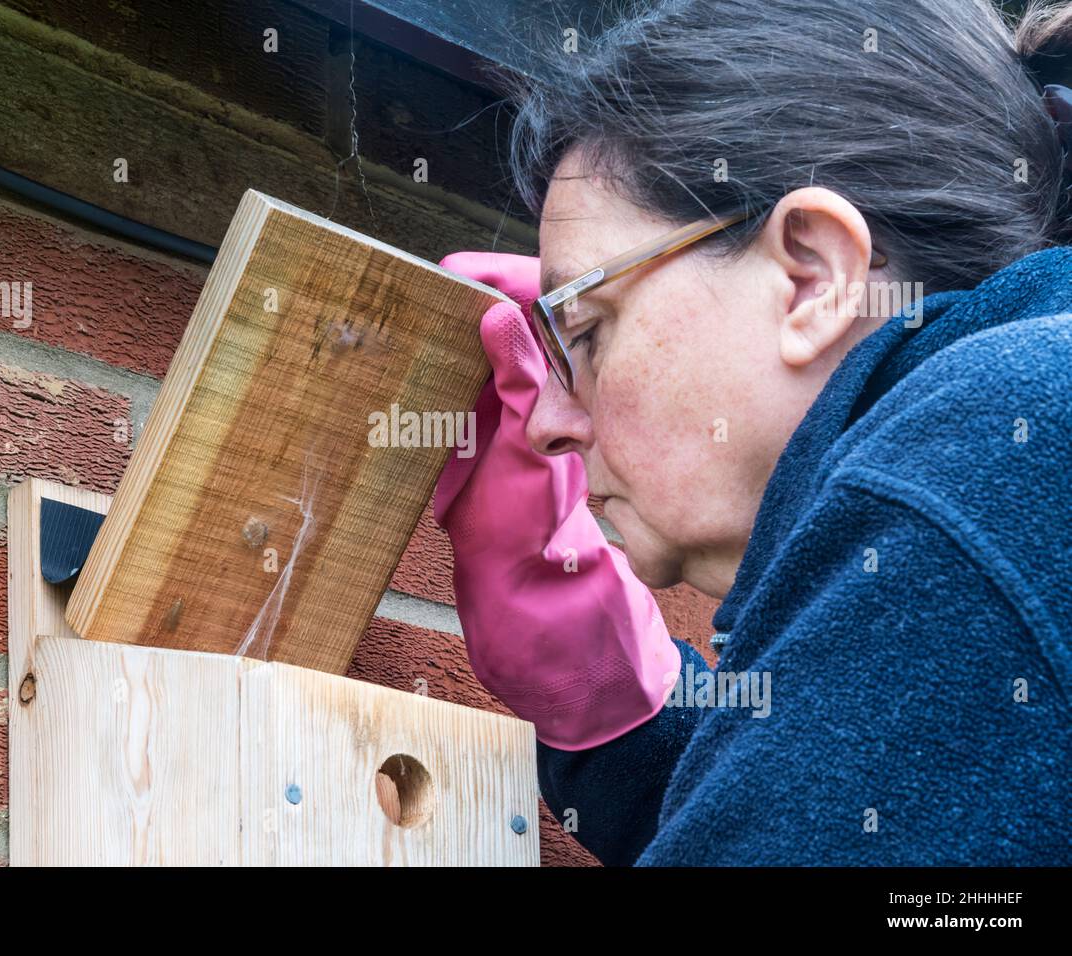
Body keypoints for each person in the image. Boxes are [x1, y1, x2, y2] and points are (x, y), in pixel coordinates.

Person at [433, 0, 1072, 865]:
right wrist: (614, 703)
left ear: (813, 277)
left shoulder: (1000, 440)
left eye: (582, 330)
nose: (548, 421)